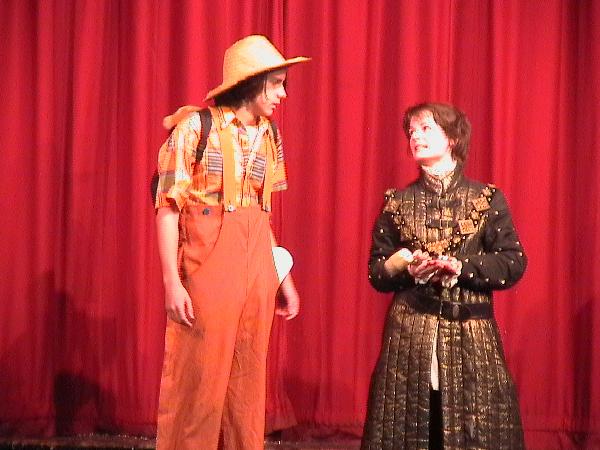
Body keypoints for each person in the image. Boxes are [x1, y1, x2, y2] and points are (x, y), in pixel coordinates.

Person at [153, 35, 309, 450]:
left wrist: (282, 278)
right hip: (209, 257)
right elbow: (167, 206)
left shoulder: (270, 134)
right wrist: (172, 282)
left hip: (255, 262)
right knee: (200, 376)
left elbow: (261, 213)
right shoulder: (195, 128)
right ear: (251, 82)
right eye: (276, 84)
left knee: (247, 377)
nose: (282, 94)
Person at [361, 103, 527, 449]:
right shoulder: (397, 202)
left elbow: (513, 263)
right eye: (411, 132)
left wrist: (462, 267)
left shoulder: (487, 199)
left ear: (452, 138)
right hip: (410, 342)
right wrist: (406, 269)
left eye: (426, 129)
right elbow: (377, 272)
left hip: (472, 339)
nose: (416, 137)